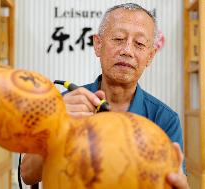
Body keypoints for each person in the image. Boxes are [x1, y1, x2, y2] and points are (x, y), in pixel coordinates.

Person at [21, 3, 190, 189]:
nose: (127, 50)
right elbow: (28, 175)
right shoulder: (65, 104)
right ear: (97, 45)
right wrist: (57, 125)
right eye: (118, 39)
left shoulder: (164, 119)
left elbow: (173, 181)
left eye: (139, 44)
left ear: (150, 56)